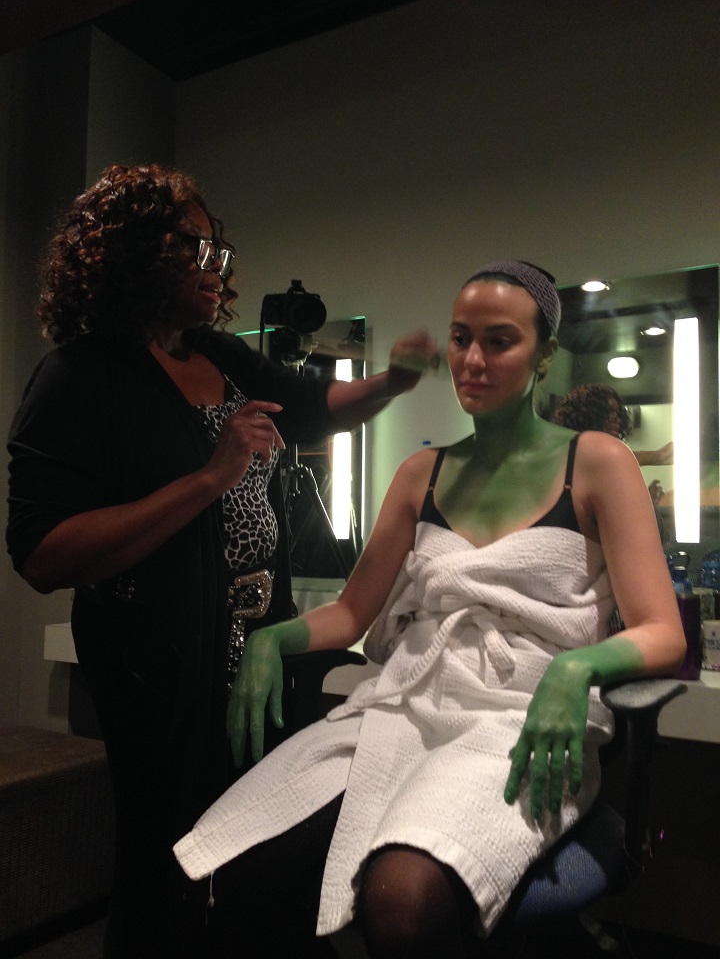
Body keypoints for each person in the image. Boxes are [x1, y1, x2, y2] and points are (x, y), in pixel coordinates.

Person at [173, 260, 685, 958]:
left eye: (500, 341)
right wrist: (272, 640)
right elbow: (352, 614)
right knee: (236, 864)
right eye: (461, 338)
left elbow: (662, 632)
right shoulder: (423, 472)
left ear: (544, 356)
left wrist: (578, 667)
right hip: (407, 706)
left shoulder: (596, 462)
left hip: (518, 720)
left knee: (401, 900)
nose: (473, 359)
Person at [4, 163, 437, 959]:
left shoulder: (221, 356)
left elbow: (314, 406)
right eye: (193, 248)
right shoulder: (78, 377)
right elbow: (40, 552)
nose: (216, 267)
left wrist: (395, 381)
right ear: (134, 255)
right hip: (156, 663)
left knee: (259, 845)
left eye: (219, 250)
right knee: (171, 859)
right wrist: (210, 478)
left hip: (257, 654)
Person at [551, 382, 674, 467]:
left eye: (617, 413)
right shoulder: (570, 457)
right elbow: (607, 461)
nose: (617, 419)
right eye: (608, 412)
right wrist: (659, 456)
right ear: (589, 417)